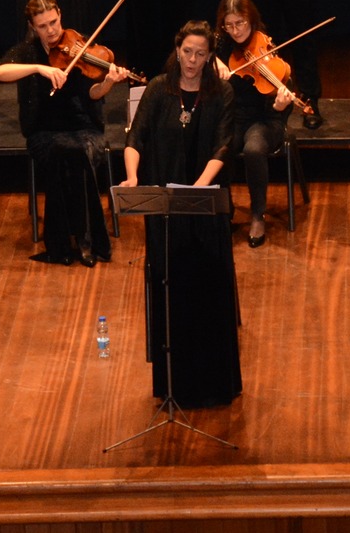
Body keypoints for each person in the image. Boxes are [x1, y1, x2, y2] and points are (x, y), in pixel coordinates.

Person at [120, 20, 241, 409]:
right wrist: (133, 176)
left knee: (209, 288)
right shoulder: (158, 88)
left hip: (204, 206)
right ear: (177, 49)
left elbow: (222, 147)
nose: (192, 61)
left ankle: (215, 385)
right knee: (170, 288)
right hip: (166, 209)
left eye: (200, 54)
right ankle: (174, 385)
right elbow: (135, 138)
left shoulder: (221, 91)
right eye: (186, 52)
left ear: (210, 57)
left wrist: (198, 189)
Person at [0, 0, 134, 266]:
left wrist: (109, 83)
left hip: (83, 126)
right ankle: (80, 241)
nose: (52, 30)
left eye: (54, 22)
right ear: (33, 27)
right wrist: (40, 69)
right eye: (43, 26)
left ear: (60, 15)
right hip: (43, 131)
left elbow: (93, 93)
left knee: (76, 152)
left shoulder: (79, 45)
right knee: (65, 152)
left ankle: (81, 240)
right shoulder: (28, 51)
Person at [216, 0, 297, 248]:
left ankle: (257, 215)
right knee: (220, 147)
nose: (236, 30)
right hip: (236, 117)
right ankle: (223, 209)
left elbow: (283, 84)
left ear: (250, 19)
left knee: (253, 149)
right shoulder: (222, 44)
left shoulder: (265, 43)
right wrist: (213, 63)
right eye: (229, 25)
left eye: (240, 23)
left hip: (266, 118)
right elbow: (196, 45)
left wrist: (281, 102)